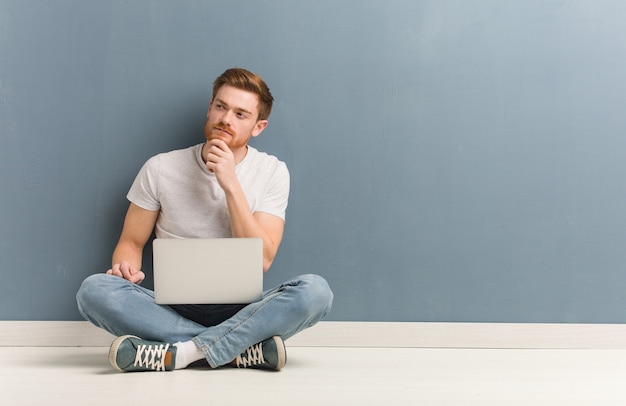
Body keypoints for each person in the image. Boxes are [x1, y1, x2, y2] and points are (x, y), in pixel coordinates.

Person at [76, 67, 333, 372]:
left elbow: (261, 259)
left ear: (258, 126)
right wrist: (125, 269)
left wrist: (230, 184)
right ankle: (237, 351)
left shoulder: (272, 172)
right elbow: (131, 243)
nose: (226, 119)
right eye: (222, 107)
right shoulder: (160, 167)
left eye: (241, 114)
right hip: (168, 308)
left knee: (316, 292)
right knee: (94, 290)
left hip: (244, 310)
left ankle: (181, 353)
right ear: (210, 107)